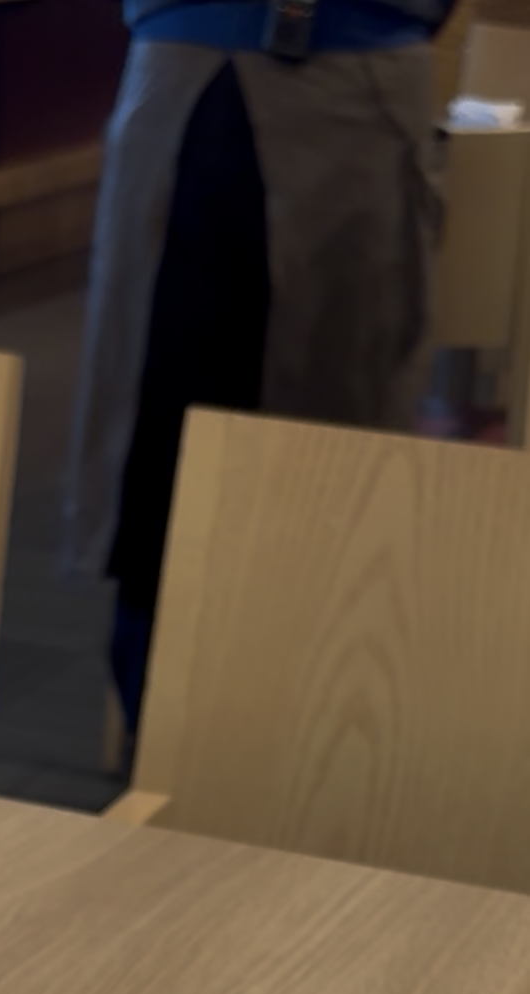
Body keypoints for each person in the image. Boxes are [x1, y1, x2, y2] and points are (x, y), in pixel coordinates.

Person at [66, 0, 451, 740]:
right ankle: (164, 741)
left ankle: (318, 743)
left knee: (336, 441)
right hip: (183, 68)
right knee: (158, 449)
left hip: (354, 74)